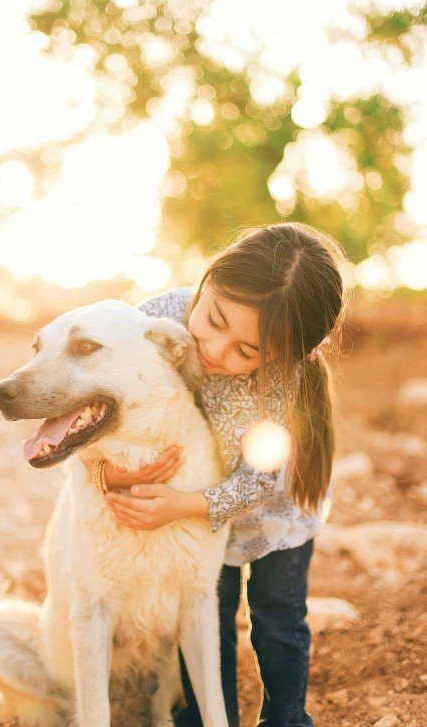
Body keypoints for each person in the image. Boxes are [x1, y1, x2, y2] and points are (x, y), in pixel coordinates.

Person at [87, 222, 347, 727]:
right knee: (208, 620)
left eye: (247, 352)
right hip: (201, 522)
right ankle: (211, 718)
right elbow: (104, 406)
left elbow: (257, 484)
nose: (215, 350)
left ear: (291, 356)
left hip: (273, 518)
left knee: (277, 621)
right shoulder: (155, 321)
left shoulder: (283, 387)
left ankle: (286, 718)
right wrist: (109, 474)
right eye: (213, 318)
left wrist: (179, 506)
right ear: (209, 278)